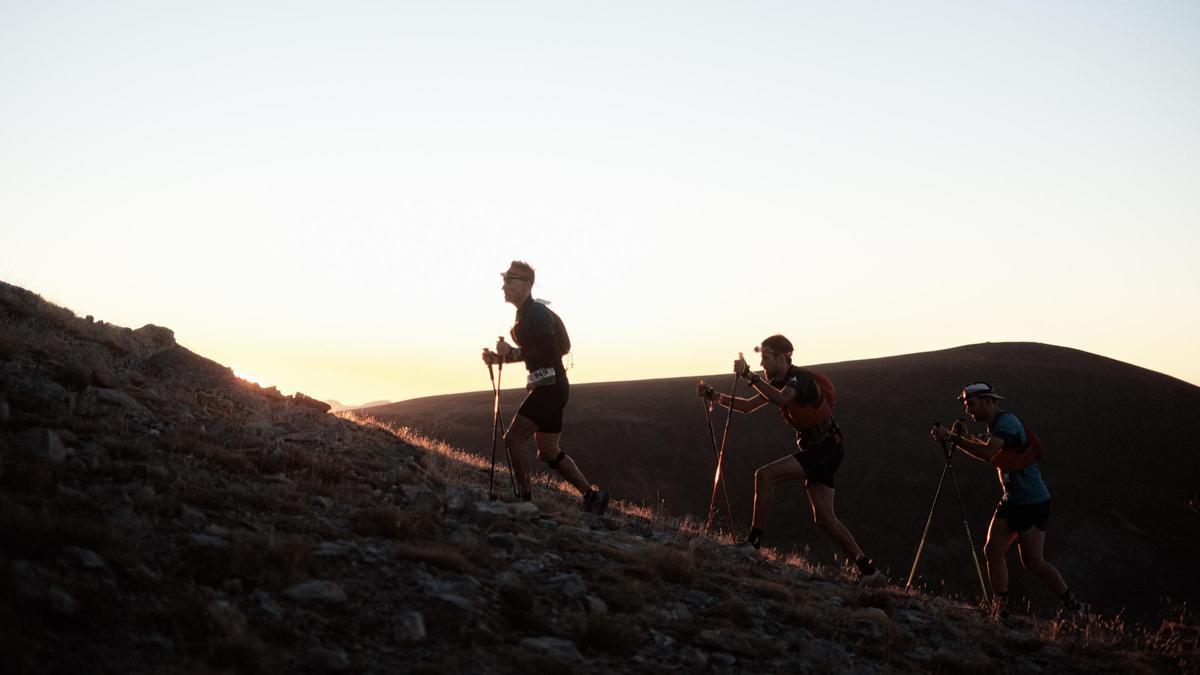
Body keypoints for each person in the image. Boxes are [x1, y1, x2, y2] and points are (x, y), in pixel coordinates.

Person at [699, 334, 884, 585]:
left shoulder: (800, 378)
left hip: (824, 449)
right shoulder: (778, 382)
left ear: (782, 357)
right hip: (823, 448)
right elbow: (746, 407)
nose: (762, 364)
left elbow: (782, 399)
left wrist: (748, 376)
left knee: (764, 475)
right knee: (825, 518)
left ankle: (753, 545)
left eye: (766, 358)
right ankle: (869, 572)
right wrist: (715, 396)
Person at [931, 382, 1080, 614]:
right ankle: (1000, 609)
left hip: (1031, 501)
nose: (968, 411)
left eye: (971, 404)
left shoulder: (1007, 422)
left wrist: (951, 438)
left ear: (988, 401)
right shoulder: (996, 425)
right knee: (992, 550)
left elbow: (988, 453)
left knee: (1033, 562)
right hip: (1013, 499)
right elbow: (991, 448)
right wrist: (964, 438)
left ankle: (1071, 603)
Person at [481, 261, 610, 515]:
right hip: (553, 386)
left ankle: (525, 499)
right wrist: (501, 358)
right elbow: (536, 353)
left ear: (527, 284)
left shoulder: (536, 313)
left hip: (549, 387)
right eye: (504, 279)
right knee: (548, 451)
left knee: (514, 439)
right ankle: (593, 496)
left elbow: (546, 351)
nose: (504, 285)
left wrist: (510, 352)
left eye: (510, 279)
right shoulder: (527, 313)